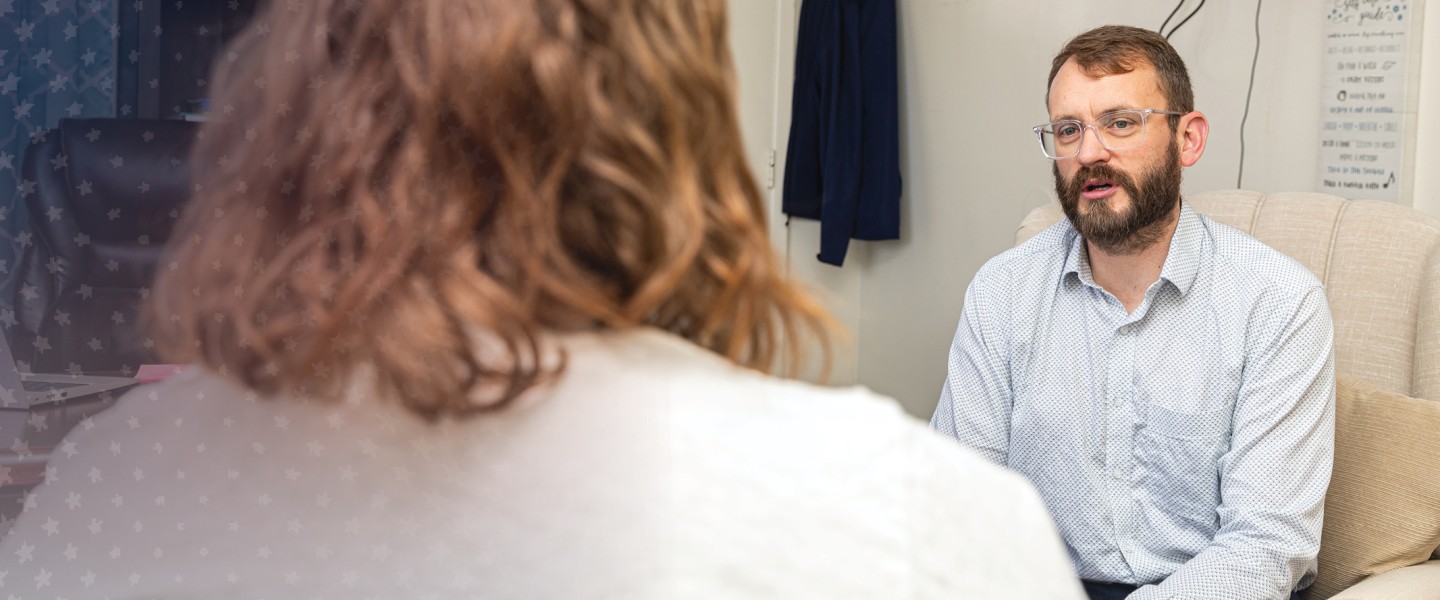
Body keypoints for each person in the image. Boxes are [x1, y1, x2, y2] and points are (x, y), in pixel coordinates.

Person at [0, 1, 1085, 597]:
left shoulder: (120, 483)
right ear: (683, 127)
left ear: (293, 117)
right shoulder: (918, 517)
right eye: (1071, 125)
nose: (1084, 150)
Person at [930, 25, 1335, 600]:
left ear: (1188, 139)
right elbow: (961, 498)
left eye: (1120, 122)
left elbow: (1265, 545)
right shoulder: (1002, 292)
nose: (1089, 152)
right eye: (1069, 130)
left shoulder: (1277, 302)